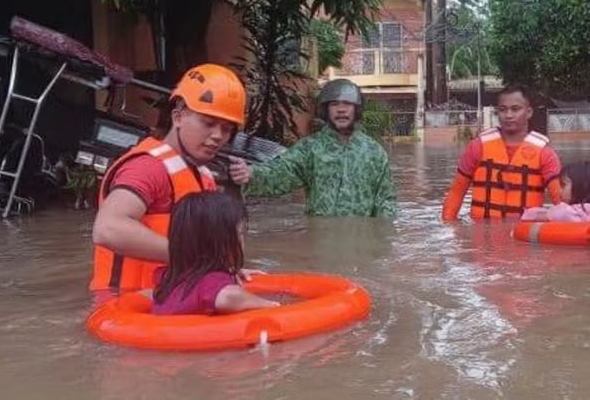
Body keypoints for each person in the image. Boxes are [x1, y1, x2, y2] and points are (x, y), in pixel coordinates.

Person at [90, 64, 252, 293]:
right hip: (125, 307)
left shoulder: (203, 174)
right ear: (178, 117)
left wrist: (223, 270)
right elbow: (107, 229)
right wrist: (194, 258)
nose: (217, 136)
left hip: (169, 302)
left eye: (226, 129)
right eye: (208, 123)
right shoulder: (147, 167)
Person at [231, 79, 399, 218]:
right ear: (326, 110)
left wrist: (381, 242)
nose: (341, 109)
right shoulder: (310, 148)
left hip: (361, 242)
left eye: (347, 104)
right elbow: (281, 173)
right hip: (321, 240)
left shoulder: (374, 153)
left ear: (357, 109)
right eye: (334, 104)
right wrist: (251, 174)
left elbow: (386, 200)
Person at [442, 84, 562, 221]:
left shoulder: (545, 154)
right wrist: (448, 225)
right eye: (503, 110)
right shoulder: (477, 147)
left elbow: (560, 201)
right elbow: (456, 193)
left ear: (529, 112)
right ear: (497, 112)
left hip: (522, 235)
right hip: (481, 235)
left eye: (515, 109)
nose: (508, 115)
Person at [152, 192, 277, 315]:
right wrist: (268, 304)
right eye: (240, 233)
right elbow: (228, 297)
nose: (243, 238)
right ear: (221, 242)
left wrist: (231, 271)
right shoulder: (211, 282)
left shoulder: (167, 277)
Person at [521, 161, 590, 224]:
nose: (559, 190)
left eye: (563, 185)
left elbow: (528, 216)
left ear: (581, 186)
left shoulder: (565, 212)